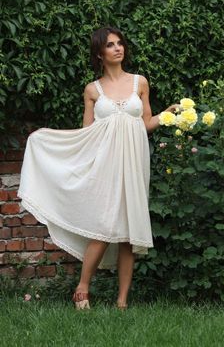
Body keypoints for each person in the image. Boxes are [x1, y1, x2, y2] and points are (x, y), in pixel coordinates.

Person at [17, 26, 180, 310]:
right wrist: (48, 139)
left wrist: (167, 115)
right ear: (99, 53)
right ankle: (82, 288)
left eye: (120, 43)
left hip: (133, 163)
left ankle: (122, 302)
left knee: (129, 231)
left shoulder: (139, 83)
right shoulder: (93, 90)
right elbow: (86, 133)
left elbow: (144, 124)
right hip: (105, 165)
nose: (118, 48)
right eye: (110, 45)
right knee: (103, 226)